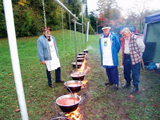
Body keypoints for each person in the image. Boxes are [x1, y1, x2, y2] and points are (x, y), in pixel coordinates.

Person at [120, 28, 145, 93]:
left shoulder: (136, 38)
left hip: (134, 57)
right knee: (126, 71)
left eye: (125, 35)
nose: (124, 36)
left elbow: (142, 47)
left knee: (135, 72)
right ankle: (128, 83)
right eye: (123, 35)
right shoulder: (124, 39)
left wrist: (139, 54)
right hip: (126, 56)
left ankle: (136, 86)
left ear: (129, 33)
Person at [99, 24, 121, 90]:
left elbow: (118, 46)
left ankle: (116, 83)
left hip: (112, 56)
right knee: (108, 69)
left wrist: (114, 53)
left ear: (109, 29)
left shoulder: (114, 36)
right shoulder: (101, 37)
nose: (105, 30)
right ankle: (110, 81)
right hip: (105, 56)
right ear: (103, 30)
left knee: (114, 70)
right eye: (104, 29)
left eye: (107, 29)